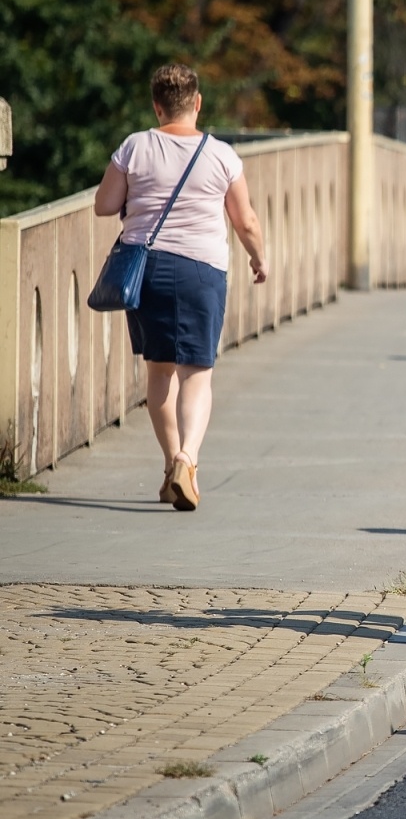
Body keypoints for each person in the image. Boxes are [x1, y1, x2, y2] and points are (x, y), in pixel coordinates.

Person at [93, 63, 267, 511]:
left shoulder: (135, 146)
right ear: (198, 103)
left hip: (146, 269)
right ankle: (188, 459)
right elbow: (244, 219)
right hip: (202, 271)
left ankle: (172, 462)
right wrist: (258, 256)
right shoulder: (221, 154)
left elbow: (104, 204)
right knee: (197, 373)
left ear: (156, 106)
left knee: (159, 372)